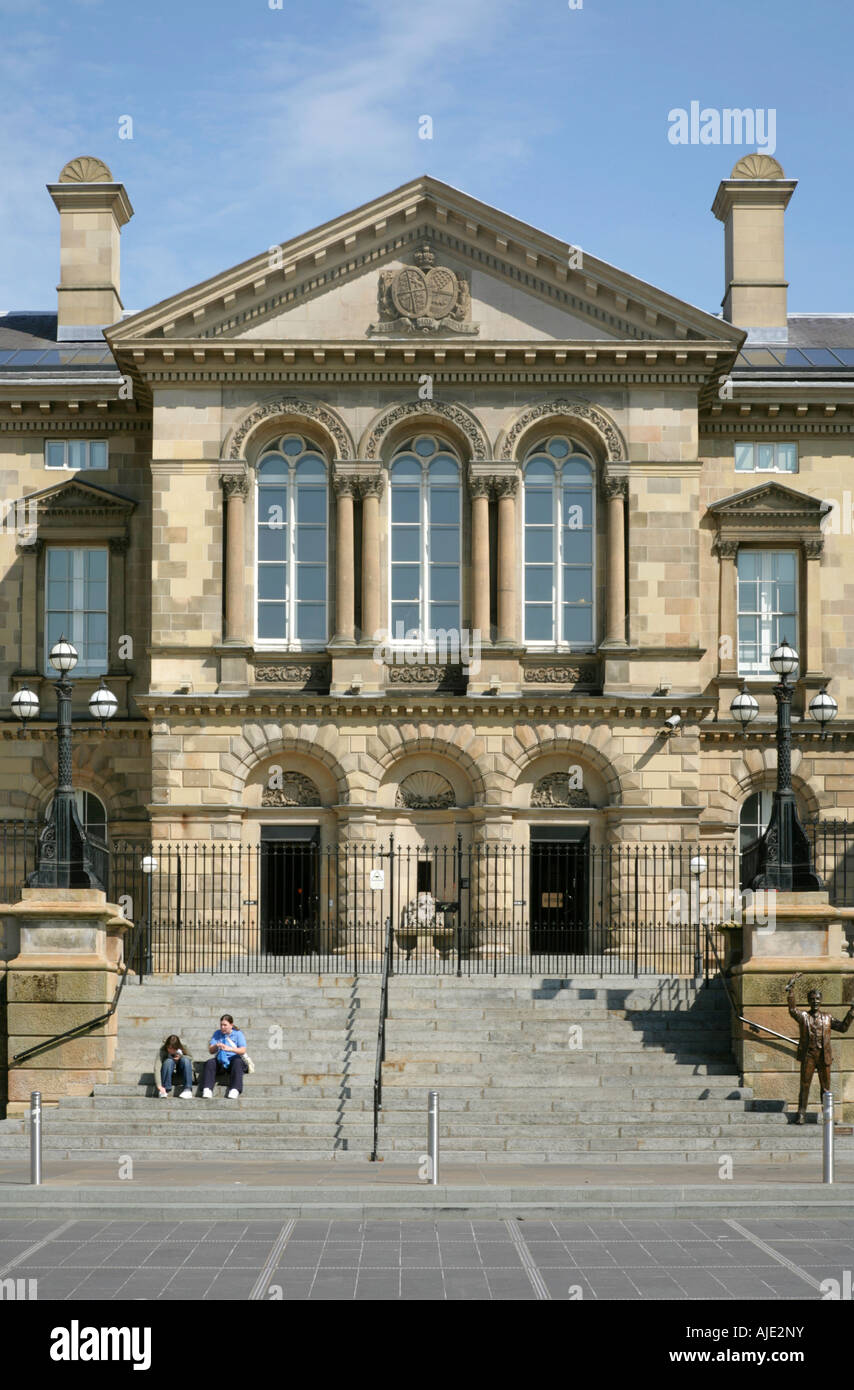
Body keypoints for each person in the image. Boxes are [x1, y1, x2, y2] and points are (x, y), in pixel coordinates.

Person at [786, 972, 854, 1123]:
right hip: (809, 1055)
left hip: (824, 1056)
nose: (815, 1001)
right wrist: (791, 989)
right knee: (805, 1085)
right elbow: (792, 1010)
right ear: (808, 1001)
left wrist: (851, 1012)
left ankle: (827, 1115)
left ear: (821, 1000)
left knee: (825, 1087)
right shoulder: (803, 1016)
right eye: (812, 999)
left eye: (817, 999)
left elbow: (843, 1027)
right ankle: (801, 1114)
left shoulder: (828, 1017)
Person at [200, 1014, 248, 1099]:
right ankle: (207, 1088)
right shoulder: (217, 1033)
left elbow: (243, 1050)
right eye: (221, 1025)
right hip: (221, 1060)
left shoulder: (238, 1034)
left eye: (225, 1025)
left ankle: (235, 1089)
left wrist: (230, 1049)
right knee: (210, 1063)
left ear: (231, 1025)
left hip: (234, 1060)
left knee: (238, 1062)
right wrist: (216, 1045)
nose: (222, 1027)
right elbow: (211, 1050)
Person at [155, 1034, 193, 1099]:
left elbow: (191, 1058)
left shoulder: (183, 1046)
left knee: (185, 1060)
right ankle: (165, 1089)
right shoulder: (163, 1049)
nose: (171, 1050)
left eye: (174, 1049)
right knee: (168, 1061)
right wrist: (159, 1086)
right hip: (167, 1070)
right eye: (169, 1048)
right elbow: (157, 1067)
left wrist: (181, 1056)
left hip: (181, 1069)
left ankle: (187, 1089)